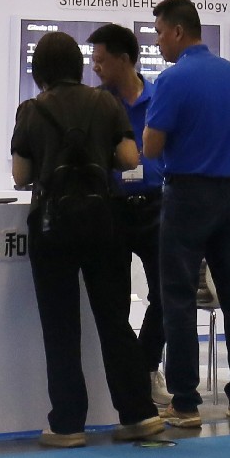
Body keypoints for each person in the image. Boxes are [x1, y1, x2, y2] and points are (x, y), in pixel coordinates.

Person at [11, 31, 166, 448]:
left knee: (60, 326)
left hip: (52, 227)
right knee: (114, 321)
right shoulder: (106, 103)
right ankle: (138, 414)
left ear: (40, 69)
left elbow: (21, 175)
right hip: (103, 223)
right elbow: (130, 159)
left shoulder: (31, 110)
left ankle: (67, 424)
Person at [144, 0, 230, 429]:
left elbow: (151, 147)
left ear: (177, 31)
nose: (157, 42)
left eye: (159, 33)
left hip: (187, 194)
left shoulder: (172, 80)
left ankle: (186, 403)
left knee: (178, 296)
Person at [86, 23, 168, 405]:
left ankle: (146, 366)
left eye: (100, 60)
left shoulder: (161, 97)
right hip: (112, 208)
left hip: (157, 206)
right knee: (114, 302)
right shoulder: (96, 103)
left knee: (166, 295)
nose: (95, 67)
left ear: (123, 59)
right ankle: (127, 384)